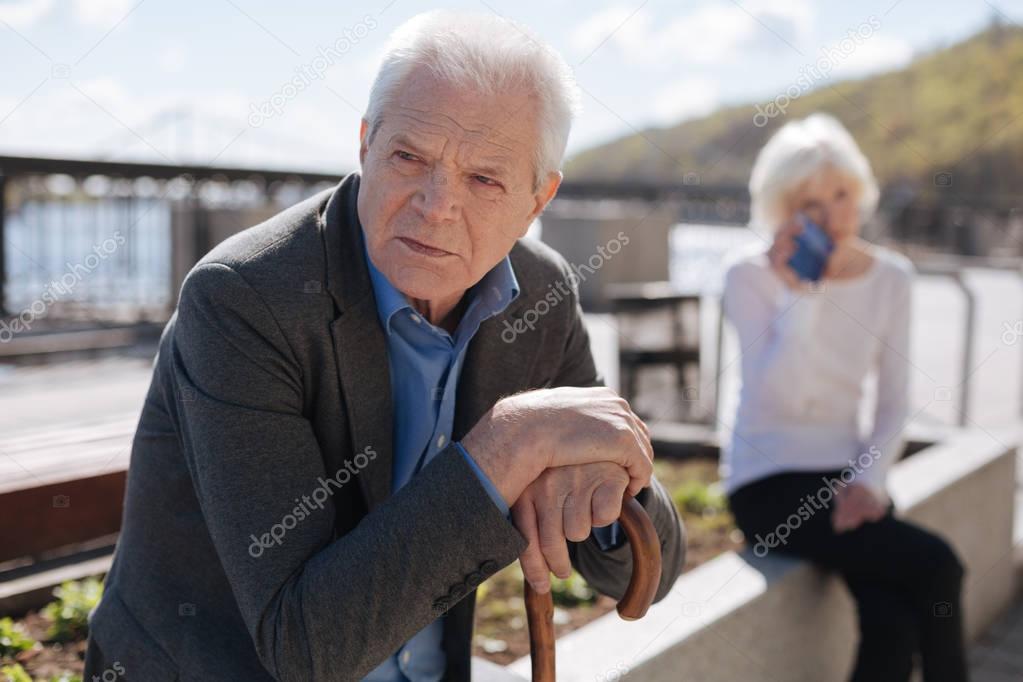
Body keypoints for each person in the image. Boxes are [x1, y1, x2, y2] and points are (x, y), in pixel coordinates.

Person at [83, 10, 685, 682]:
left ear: (536, 197)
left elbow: (641, 575)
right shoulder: (244, 299)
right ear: (365, 144)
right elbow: (304, 649)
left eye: (484, 179)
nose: (435, 204)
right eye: (409, 157)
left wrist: (600, 485)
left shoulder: (540, 295)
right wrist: (508, 448)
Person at [720, 112, 967, 682]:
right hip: (767, 483)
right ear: (783, 212)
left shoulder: (892, 278)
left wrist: (870, 481)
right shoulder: (748, 276)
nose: (831, 214)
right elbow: (778, 397)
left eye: (840, 194)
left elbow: (893, 400)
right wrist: (802, 293)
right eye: (808, 203)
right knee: (938, 564)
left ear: (860, 192)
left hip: (847, 475)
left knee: (893, 617)